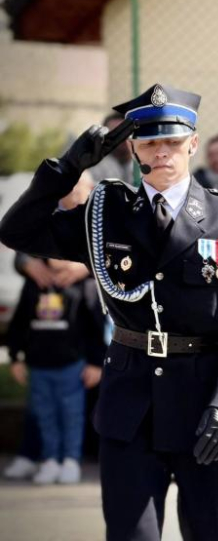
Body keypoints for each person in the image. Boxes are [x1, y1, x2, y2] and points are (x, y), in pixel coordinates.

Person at [0, 83, 218, 540]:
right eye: (150, 142)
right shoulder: (106, 214)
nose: (163, 152)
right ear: (133, 147)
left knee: (215, 533)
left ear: (193, 142)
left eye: (172, 141)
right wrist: (66, 169)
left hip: (208, 404)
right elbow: (16, 231)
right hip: (132, 404)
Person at [6, 172, 106, 485]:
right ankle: (42, 456)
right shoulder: (49, 219)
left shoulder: (104, 215)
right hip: (42, 351)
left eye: (80, 186)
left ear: (91, 189)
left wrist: (85, 267)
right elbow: (19, 241)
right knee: (44, 409)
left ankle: (73, 457)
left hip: (84, 341)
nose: (73, 191)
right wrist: (26, 262)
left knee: (74, 410)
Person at [88, 112, 136, 183]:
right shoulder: (93, 167)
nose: (122, 137)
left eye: (126, 132)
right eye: (116, 132)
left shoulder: (143, 163)